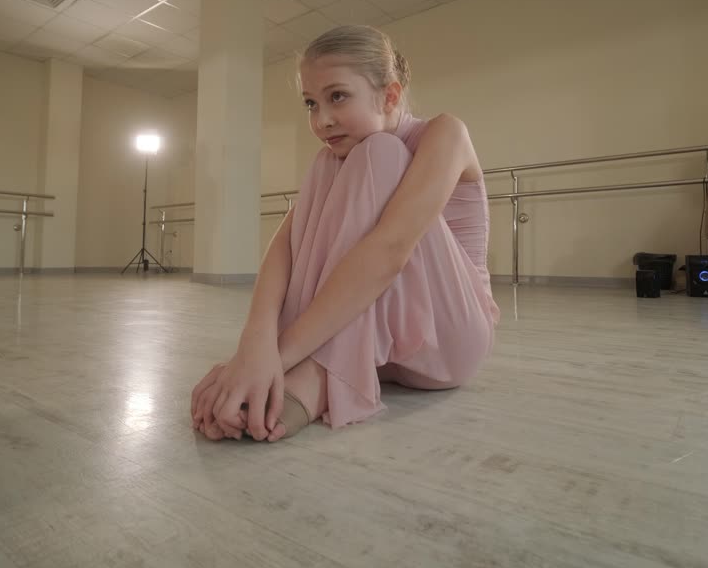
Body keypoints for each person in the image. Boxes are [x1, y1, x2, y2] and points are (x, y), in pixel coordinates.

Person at [189, 25, 500, 442]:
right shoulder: (337, 157)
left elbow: (390, 249)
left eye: (337, 96)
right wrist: (253, 346)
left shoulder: (445, 133)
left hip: (449, 340)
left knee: (382, 152)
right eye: (311, 104)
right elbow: (283, 246)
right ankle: (314, 362)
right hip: (380, 347)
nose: (322, 119)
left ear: (389, 95)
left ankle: (315, 372)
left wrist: (273, 361)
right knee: (328, 161)